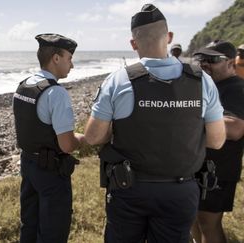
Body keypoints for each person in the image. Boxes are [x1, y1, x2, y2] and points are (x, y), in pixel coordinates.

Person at [83, 4, 226, 243]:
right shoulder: (202, 80)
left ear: (133, 43)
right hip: (181, 191)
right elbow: (216, 140)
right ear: (169, 37)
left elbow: (93, 137)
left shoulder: (118, 80)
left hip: (129, 189)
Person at [12, 33, 85, 243]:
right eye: (69, 59)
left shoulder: (23, 86)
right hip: (51, 173)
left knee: (29, 226)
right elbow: (67, 145)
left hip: (27, 166)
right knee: (53, 233)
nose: (72, 65)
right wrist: (83, 138)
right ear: (56, 58)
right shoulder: (56, 93)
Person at [191, 40, 244, 243]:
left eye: (212, 59)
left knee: (209, 224)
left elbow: (234, 128)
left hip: (218, 170)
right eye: (201, 59)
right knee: (194, 219)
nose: (204, 64)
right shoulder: (211, 86)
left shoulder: (235, 88)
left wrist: (186, 119)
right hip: (201, 166)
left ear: (231, 63)